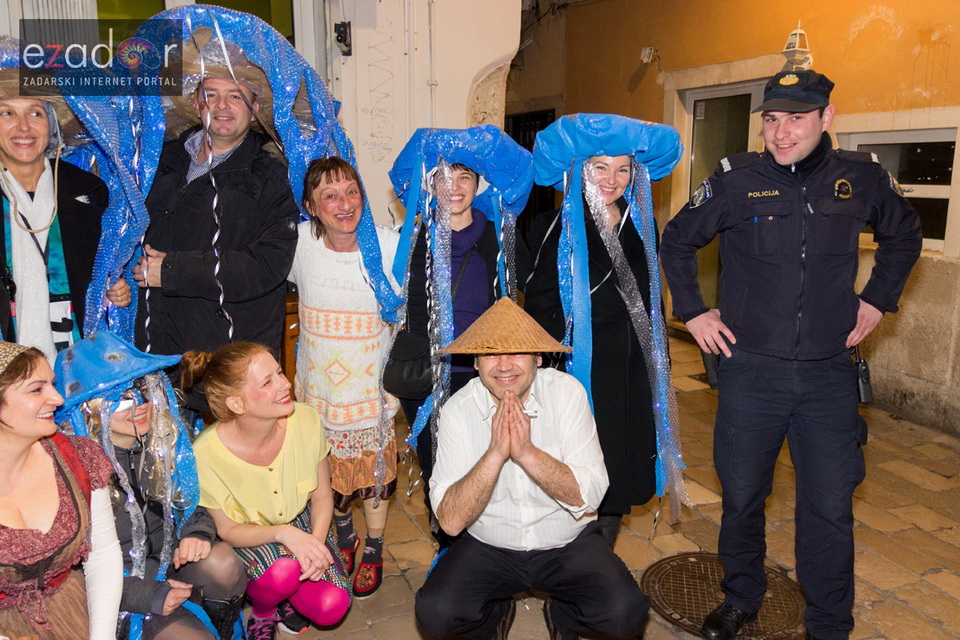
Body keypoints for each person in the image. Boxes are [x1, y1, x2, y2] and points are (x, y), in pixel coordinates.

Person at [660, 69, 922, 640]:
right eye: (772, 119)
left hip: (829, 375)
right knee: (743, 497)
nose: (780, 133)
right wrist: (694, 311)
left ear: (826, 118)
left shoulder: (862, 177)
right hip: (751, 372)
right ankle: (741, 597)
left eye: (796, 119)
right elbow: (676, 240)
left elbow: (905, 234)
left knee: (829, 506)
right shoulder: (736, 179)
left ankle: (829, 624)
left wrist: (878, 300)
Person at [415, 297, 649, 640]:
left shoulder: (567, 394)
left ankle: (563, 614)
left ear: (538, 357)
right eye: (491, 353)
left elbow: (590, 495)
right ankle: (493, 615)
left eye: (517, 352)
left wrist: (526, 453)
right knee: (436, 613)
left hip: (567, 543)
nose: (504, 365)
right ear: (476, 362)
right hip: (489, 546)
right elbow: (450, 521)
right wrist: (495, 454)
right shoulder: (458, 410)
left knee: (625, 612)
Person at [525, 113, 686, 547]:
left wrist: (661, 365)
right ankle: (571, 559)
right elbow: (539, 306)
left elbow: (652, 302)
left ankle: (600, 558)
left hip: (632, 375)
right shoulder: (552, 227)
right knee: (576, 466)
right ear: (580, 169)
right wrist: (545, 371)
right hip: (580, 373)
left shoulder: (642, 225)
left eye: (622, 169)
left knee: (617, 472)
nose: (611, 180)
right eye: (600, 167)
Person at [387, 126, 534, 550]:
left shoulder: (498, 236)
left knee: (487, 462)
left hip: (483, 375)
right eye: (443, 176)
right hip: (425, 376)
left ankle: (488, 549)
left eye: (465, 176)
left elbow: (529, 291)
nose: (454, 186)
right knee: (438, 466)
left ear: (478, 183)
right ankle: (448, 549)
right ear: (429, 183)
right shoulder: (411, 239)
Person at [55, 331, 248, 640]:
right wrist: (148, 595)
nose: (140, 404)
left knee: (223, 563)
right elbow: (72, 573)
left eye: (142, 388)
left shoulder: (162, 442)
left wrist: (196, 533)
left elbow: (191, 502)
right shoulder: (72, 472)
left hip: (170, 568)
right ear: (88, 408)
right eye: (120, 396)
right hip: (120, 595)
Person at [132, 30, 299, 357]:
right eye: (211, 94)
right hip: (154, 352)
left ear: (255, 108)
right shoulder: (156, 162)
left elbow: (266, 266)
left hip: (227, 361)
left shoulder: (273, 176)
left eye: (236, 95)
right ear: (197, 104)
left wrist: (172, 271)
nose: (222, 106)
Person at [287, 156, 400, 599]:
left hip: (370, 395)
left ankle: (374, 547)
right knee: (326, 477)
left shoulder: (388, 245)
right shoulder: (299, 244)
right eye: (330, 195)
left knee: (374, 479)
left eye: (352, 192)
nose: (345, 203)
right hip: (317, 395)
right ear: (311, 207)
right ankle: (345, 537)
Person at [182, 342, 350, 639]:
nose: (286, 384)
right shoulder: (204, 454)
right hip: (249, 534)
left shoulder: (307, 419)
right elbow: (229, 530)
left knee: (331, 607)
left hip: (304, 521)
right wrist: (284, 533)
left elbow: (322, 495)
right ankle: (264, 610)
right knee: (283, 572)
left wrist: (314, 545)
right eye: (267, 382)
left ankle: (287, 595)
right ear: (237, 404)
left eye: (280, 373)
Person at [0, 73, 131, 359]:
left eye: (35, 113)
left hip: (77, 357)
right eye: (7, 113)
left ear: (51, 124)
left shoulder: (88, 190)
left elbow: (104, 268)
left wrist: (116, 289)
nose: (24, 126)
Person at [0, 341, 122, 639]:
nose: (57, 398)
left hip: (71, 613)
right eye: (36, 390)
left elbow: (103, 555)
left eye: (52, 385)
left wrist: (101, 636)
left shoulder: (77, 457)